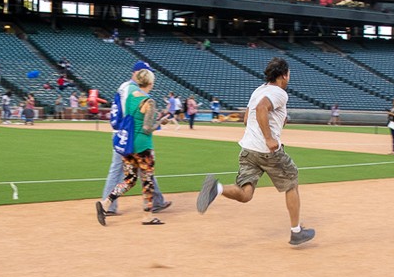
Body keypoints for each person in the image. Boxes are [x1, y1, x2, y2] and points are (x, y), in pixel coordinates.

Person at [196, 57, 315, 246]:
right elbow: (262, 108)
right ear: (283, 76)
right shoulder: (279, 92)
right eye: (289, 74)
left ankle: (216, 188)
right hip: (266, 151)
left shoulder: (258, 90)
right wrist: (269, 137)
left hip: (248, 149)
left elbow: (247, 118)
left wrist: (277, 121)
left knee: (246, 194)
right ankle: (296, 231)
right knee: (291, 181)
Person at [101, 61, 171, 217]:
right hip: (131, 135)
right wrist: (159, 122)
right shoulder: (136, 91)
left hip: (125, 134)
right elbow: (139, 119)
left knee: (134, 176)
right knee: (127, 171)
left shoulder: (127, 89)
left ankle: (157, 202)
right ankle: (111, 206)